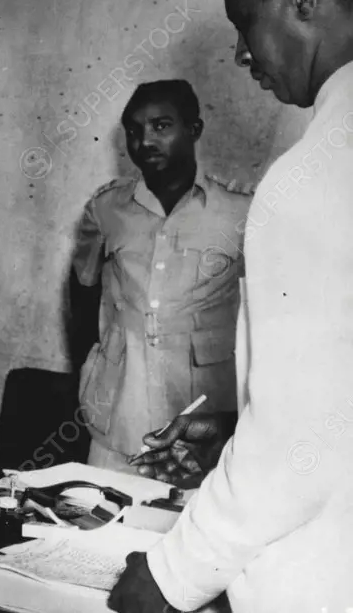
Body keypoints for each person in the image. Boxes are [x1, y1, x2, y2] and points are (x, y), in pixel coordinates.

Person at [111, 0, 353, 613]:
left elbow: (294, 452)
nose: (243, 51)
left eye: (247, 21)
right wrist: (245, 420)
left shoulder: (311, 178)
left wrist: (169, 578)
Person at [71, 80, 253, 473]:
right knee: (103, 523)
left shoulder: (239, 213)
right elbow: (82, 287)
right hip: (118, 413)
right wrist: (91, 363)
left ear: (194, 129)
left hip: (203, 424)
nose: (145, 141)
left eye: (161, 126)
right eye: (134, 131)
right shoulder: (107, 208)